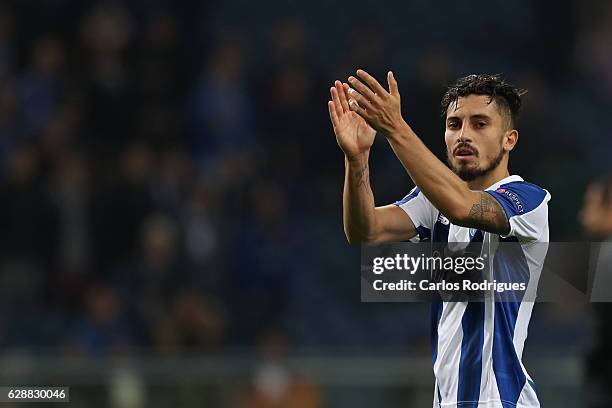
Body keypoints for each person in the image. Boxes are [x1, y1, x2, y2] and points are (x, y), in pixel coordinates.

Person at [328, 72, 550, 408]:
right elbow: (365, 231)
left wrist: (396, 128)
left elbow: (462, 207)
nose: (463, 135)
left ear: (509, 139)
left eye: (479, 124)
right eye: (454, 124)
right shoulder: (433, 201)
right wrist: (357, 159)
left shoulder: (527, 201)